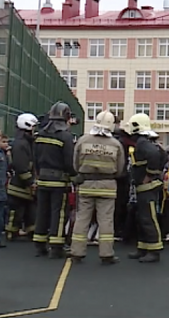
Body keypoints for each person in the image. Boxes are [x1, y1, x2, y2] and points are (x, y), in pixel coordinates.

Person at [69, 111, 125, 265]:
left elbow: (75, 164)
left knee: (82, 219)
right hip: (107, 186)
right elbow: (120, 168)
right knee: (106, 220)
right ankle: (106, 254)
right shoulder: (115, 144)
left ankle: (77, 252)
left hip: (86, 185)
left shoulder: (83, 140)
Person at [33, 102, 77, 259]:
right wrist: (75, 177)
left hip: (42, 179)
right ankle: (56, 246)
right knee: (58, 213)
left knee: (42, 212)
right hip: (59, 182)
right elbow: (69, 161)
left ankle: (39, 245)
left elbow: (35, 158)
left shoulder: (40, 134)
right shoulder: (65, 136)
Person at [125, 113, 165, 263]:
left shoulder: (143, 143)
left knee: (148, 218)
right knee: (142, 218)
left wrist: (149, 174)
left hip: (147, 187)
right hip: (145, 187)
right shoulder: (146, 141)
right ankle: (143, 247)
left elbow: (154, 155)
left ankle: (154, 251)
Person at [5, 113, 39, 240]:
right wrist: (31, 182)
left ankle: (30, 231)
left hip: (24, 186)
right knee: (15, 212)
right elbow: (21, 166)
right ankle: (11, 232)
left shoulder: (26, 142)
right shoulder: (21, 144)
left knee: (30, 212)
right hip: (19, 187)